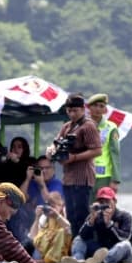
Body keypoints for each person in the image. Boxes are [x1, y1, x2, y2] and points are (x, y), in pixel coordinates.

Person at [47, 94, 103, 236]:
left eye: (75, 111)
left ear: (83, 109)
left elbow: (97, 150)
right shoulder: (66, 127)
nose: (72, 114)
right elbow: (55, 143)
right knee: (71, 215)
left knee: (82, 215)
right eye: (69, 111)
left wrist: (75, 157)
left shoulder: (88, 126)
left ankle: (86, 247)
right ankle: (75, 247)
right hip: (68, 177)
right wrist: (52, 151)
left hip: (82, 177)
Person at [64, 186, 132, 263]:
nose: (104, 205)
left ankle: (102, 262)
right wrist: (91, 220)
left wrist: (109, 224)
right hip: (101, 251)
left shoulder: (125, 216)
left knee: (126, 245)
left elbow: (124, 237)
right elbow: (83, 235)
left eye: (107, 202)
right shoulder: (96, 215)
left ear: (115, 201)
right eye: (101, 202)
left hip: (119, 253)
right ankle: (78, 260)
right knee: (78, 239)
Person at [88, 93, 121, 198]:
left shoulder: (111, 127)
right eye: (95, 105)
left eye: (101, 106)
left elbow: (115, 154)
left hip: (104, 176)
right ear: (89, 107)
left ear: (105, 109)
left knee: (102, 207)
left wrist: (115, 179)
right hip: (85, 174)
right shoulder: (82, 125)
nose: (98, 109)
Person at [31, 191, 71, 263]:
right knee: (40, 236)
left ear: (61, 205)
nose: (51, 209)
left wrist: (57, 216)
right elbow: (32, 237)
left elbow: (68, 228)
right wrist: (37, 218)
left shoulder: (65, 214)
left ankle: (49, 261)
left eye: (53, 206)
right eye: (50, 206)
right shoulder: (45, 217)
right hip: (43, 252)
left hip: (60, 253)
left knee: (61, 232)